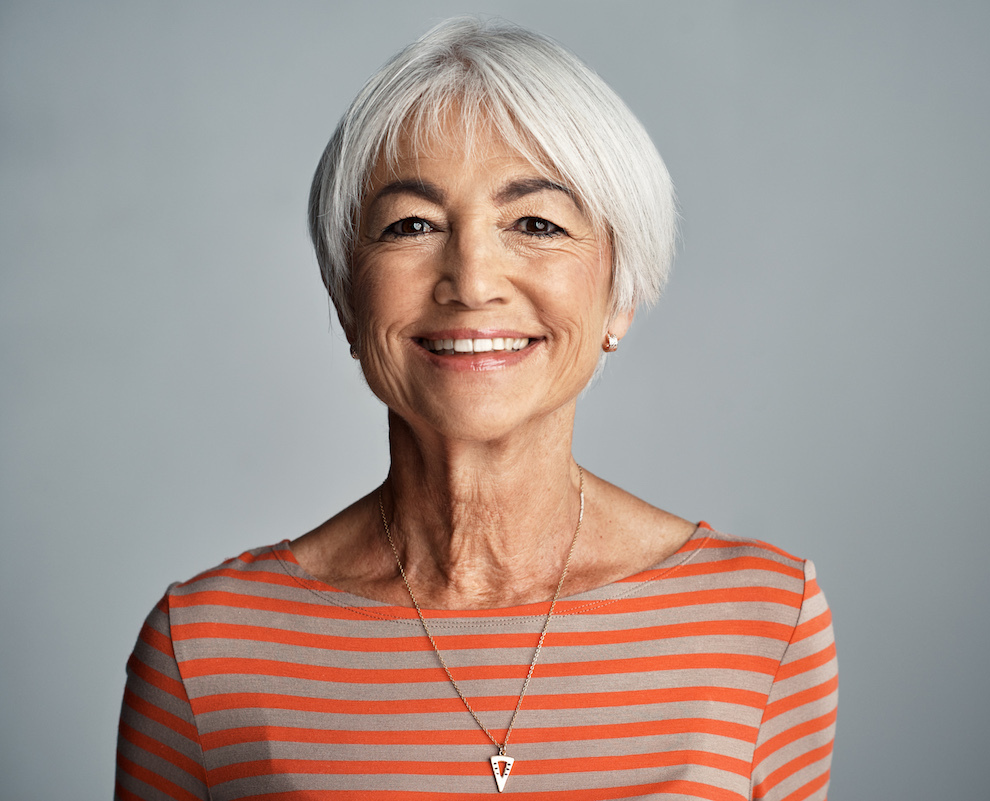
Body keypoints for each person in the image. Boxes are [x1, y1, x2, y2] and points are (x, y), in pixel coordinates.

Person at [116, 17, 837, 800]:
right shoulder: (205, 652)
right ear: (346, 297)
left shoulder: (765, 621)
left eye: (536, 223)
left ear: (618, 297)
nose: (472, 280)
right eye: (412, 225)